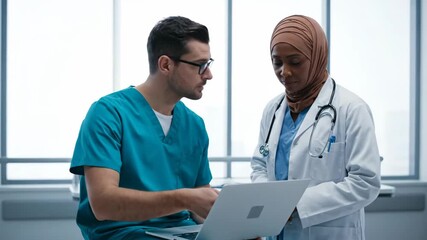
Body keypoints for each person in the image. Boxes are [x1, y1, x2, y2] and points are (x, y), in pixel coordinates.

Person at [69, 16, 219, 240]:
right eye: (200, 65)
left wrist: (233, 228)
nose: (208, 75)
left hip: (183, 233)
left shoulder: (194, 125)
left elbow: (200, 208)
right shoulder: (108, 114)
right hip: (123, 234)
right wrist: (185, 198)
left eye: (209, 64)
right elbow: (103, 204)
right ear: (166, 64)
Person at [251, 15, 381, 240]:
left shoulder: (351, 109)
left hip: (328, 232)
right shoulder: (272, 110)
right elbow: (260, 165)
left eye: (295, 61)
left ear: (317, 57)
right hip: (275, 231)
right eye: (277, 62)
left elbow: (365, 182)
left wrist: (296, 206)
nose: (285, 72)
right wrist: (269, 201)